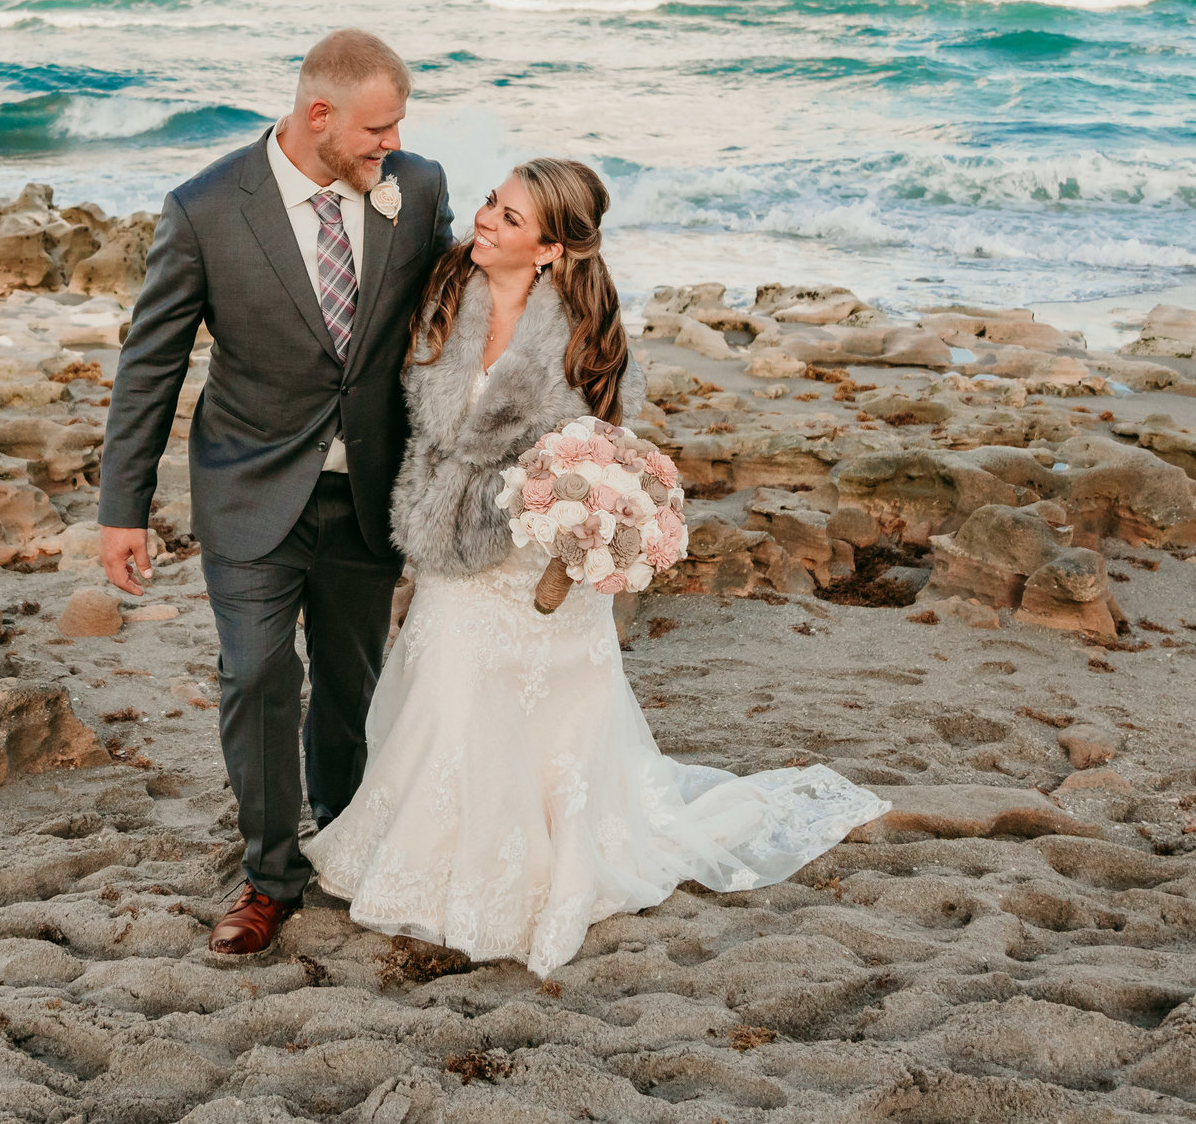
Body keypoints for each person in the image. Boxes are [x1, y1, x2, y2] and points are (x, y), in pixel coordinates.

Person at [303, 157, 889, 977]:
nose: (486, 222)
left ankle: (522, 870)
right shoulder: (444, 294)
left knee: (539, 722)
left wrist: (579, 514)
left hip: (535, 563)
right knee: (440, 693)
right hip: (448, 541)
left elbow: (607, 450)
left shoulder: (587, 339)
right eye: (489, 203)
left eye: (509, 220)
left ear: (548, 250)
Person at [98, 29, 454, 956]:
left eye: (400, 127)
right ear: (319, 115)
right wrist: (121, 510)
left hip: (369, 489)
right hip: (251, 486)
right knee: (256, 675)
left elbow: (453, 312)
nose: (393, 143)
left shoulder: (416, 188)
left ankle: (343, 836)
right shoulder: (206, 208)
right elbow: (151, 367)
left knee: (350, 684)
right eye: (378, 128)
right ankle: (268, 876)